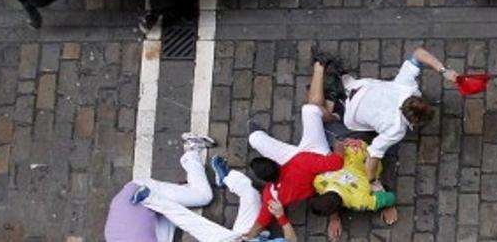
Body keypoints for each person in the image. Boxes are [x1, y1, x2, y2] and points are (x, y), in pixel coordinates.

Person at [312, 48, 458, 197]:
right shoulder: (396, 129)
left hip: (354, 87)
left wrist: (443, 70)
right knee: (316, 109)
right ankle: (320, 65)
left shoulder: (406, 86)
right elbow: (373, 154)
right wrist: (372, 181)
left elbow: (418, 54)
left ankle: (335, 74)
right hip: (346, 109)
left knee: (336, 90)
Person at [239, 60, 347, 239]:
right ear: (275, 163)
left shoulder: (272, 196)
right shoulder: (302, 164)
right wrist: (339, 145)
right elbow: (336, 162)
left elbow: (261, 223)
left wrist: (247, 237)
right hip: (312, 154)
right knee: (310, 110)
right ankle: (333, 115)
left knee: (256, 139)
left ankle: (322, 80)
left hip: (301, 158)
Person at [133, 155, 294, 242]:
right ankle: (225, 178)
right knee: (251, 195)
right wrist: (281, 217)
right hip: (250, 235)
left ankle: (148, 198)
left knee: (194, 224)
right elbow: (291, 240)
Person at [104, 133, 216, 242]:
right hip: (126, 199)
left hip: (144, 191)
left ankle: (192, 151)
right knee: (168, 225)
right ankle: (182, 191)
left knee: (203, 196)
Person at [309, 138, 397, 241]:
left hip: (369, 155)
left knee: (374, 184)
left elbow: (390, 197)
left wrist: (388, 205)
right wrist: (334, 217)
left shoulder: (361, 202)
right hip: (350, 147)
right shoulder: (319, 181)